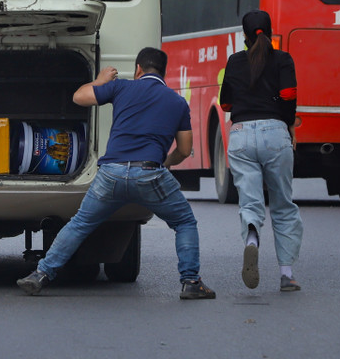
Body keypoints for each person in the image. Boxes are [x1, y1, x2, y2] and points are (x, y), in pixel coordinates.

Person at [17, 47, 216, 300]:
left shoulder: (122, 87)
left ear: (138, 70)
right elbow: (185, 150)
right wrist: (165, 163)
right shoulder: (177, 102)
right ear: (163, 72)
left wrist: (100, 81)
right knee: (184, 222)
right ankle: (190, 282)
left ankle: (41, 275)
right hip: (149, 172)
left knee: (80, 223)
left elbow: (79, 96)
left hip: (111, 173)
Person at [220, 9, 303, 292]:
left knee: (250, 201)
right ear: (269, 32)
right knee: (282, 204)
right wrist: (288, 124)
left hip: (241, 135)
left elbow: (226, 105)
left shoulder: (234, 61)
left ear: (243, 35)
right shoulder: (283, 60)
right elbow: (289, 95)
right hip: (275, 134)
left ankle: (252, 239)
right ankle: (287, 274)